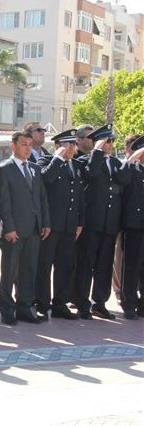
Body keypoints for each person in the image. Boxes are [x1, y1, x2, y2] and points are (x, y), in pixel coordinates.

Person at [75, 124, 134, 320]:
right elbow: (91, 174)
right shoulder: (86, 160)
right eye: (108, 141)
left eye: (112, 141)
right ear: (97, 142)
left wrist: (130, 160)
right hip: (92, 223)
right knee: (86, 265)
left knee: (104, 267)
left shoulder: (115, 163)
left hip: (109, 224)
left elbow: (124, 179)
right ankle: (82, 303)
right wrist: (98, 151)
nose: (111, 144)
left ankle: (99, 303)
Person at [0, 131, 50, 325]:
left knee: (29, 270)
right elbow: (3, 201)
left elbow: (42, 198)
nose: (28, 148)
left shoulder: (35, 168)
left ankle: (25, 308)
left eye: (30, 144)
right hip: (14, 230)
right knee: (9, 271)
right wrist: (8, 227)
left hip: (34, 229)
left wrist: (45, 222)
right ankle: (7, 311)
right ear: (14, 146)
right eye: (23, 145)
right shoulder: (4, 169)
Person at [35, 129, 84, 320]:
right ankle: (42, 303)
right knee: (44, 266)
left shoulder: (76, 165)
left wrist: (80, 222)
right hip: (51, 226)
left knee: (65, 267)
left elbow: (80, 196)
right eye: (67, 144)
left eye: (74, 144)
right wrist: (57, 158)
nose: (72, 148)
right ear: (57, 146)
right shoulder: (46, 161)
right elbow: (45, 179)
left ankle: (60, 305)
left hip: (69, 225)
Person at [118, 135, 144, 320]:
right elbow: (121, 178)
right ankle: (129, 304)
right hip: (133, 226)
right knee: (131, 266)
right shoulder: (130, 169)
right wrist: (133, 158)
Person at [112, 135, 139, 301]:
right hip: (123, 222)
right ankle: (120, 293)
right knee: (121, 260)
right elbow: (121, 180)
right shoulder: (124, 166)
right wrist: (132, 159)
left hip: (137, 222)